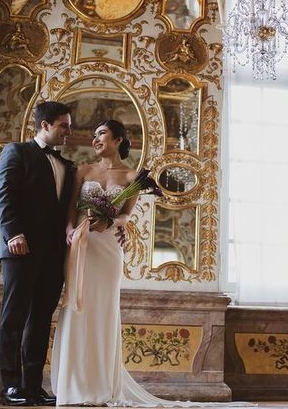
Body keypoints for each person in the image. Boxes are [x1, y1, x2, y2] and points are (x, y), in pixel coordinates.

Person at [50, 120, 176, 406]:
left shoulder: (132, 177)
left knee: (103, 310)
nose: (95, 139)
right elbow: (71, 206)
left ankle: (101, 386)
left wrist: (110, 221)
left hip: (108, 249)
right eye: (94, 135)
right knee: (77, 307)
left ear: (118, 139)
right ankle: (73, 385)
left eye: (102, 134)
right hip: (82, 244)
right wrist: (70, 229)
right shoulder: (83, 170)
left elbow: (126, 217)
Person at [0, 101, 75, 407]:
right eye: (64, 125)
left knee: (41, 319)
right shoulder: (16, 151)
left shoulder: (67, 166)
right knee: (13, 317)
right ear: (45, 125)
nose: (69, 131)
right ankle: (10, 387)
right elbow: (5, 196)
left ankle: (32, 386)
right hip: (20, 248)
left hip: (53, 254)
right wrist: (14, 233)